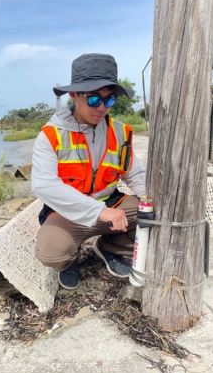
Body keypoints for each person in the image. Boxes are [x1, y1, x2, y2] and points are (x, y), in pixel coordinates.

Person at [31, 53, 146, 290]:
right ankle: (70, 258)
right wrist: (98, 212)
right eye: (94, 100)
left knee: (154, 214)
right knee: (52, 252)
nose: (102, 107)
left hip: (111, 206)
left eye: (110, 100)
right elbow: (44, 185)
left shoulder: (121, 133)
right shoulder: (51, 135)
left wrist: (150, 200)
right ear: (73, 95)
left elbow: (134, 174)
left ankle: (108, 247)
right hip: (67, 213)